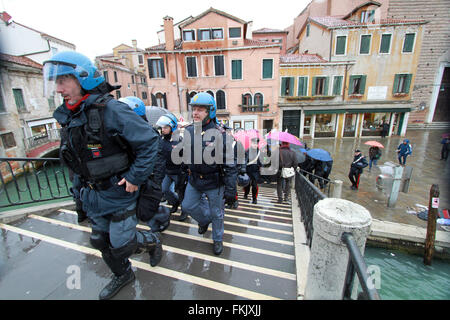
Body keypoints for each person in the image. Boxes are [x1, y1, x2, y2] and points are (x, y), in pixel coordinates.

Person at [44, 51, 163, 300]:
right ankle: (123, 275)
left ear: (82, 78)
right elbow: (76, 159)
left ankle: (151, 240)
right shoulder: (70, 115)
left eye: (63, 81)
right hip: (92, 195)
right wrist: (78, 194)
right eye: (56, 82)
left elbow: (151, 141)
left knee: (122, 245)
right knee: (99, 240)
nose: (58, 89)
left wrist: (134, 177)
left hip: (118, 193)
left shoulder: (112, 110)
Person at [180, 92, 237, 255]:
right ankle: (204, 220)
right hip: (194, 180)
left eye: (200, 110)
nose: (195, 113)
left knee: (217, 214)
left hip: (214, 182)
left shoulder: (221, 134)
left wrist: (231, 189)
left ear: (210, 112)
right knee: (187, 205)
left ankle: (218, 239)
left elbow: (230, 164)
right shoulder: (189, 130)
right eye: (194, 109)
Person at [156, 113, 182, 214]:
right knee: (164, 190)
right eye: (162, 127)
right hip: (167, 171)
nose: (163, 129)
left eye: (166, 127)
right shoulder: (161, 141)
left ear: (172, 127)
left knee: (181, 192)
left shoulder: (179, 141)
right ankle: (175, 203)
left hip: (178, 172)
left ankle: (184, 211)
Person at [244, 138, 262, 204]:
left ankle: (254, 198)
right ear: (251, 143)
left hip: (255, 171)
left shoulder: (259, 152)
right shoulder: (247, 151)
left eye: (256, 144)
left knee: (254, 185)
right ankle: (246, 193)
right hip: (248, 170)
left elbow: (261, 161)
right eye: (254, 143)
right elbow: (245, 161)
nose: (255, 145)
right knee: (247, 184)